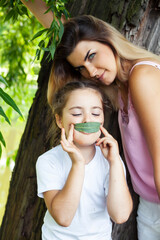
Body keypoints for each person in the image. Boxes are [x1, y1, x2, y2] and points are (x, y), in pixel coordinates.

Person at [21, 2, 160, 239]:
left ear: (107, 38)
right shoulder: (117, 84)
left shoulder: (142, 76)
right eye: (81, 68)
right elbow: (65, 32)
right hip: (150, 204)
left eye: (92, 56)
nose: (91, 71)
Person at [36, 80, 132, 240]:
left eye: (95, 113)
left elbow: (120, 216)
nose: (88, 120)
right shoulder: (48, 161)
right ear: (60, 120)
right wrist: (78, 165)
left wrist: (115, 163)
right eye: (76, 114)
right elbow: (63, 218)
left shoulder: (111, 159)